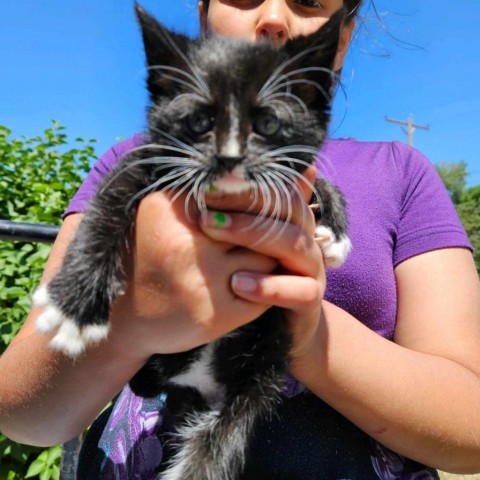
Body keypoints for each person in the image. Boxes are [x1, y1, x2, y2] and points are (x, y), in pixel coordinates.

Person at [1, 0, 480, 478]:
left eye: (310, 1)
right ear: (203, 14)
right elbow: (22, 415)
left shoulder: (399, 173)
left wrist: (309, 336)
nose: (273, 16)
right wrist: (129, 319)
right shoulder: (139, 160)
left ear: (341, 37)